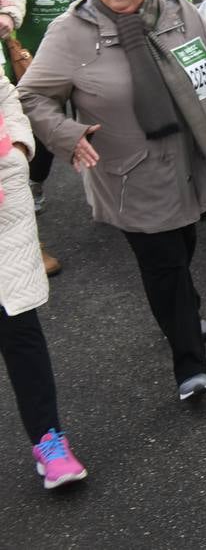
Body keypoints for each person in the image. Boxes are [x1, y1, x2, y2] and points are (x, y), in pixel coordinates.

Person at [18, 0, 206, 402]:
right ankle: (190, 366)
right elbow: (34, 96)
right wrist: (68, 134)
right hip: (128, 174)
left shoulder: (177, 10)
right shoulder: (70, 32)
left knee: (182, 251)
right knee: (164, 266)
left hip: (193, 161)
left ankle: (184, 311)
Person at [0, 69, 87, 489]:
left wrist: (17, 146)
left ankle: (48, 440)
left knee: (19, 327)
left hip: (2, 207)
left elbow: (6, 97)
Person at [0, 0, 91, 262]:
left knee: (97, 124)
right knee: (42, 136)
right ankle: (33, 187)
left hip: (86, 56)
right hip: (33, 64)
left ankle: (109, 189)